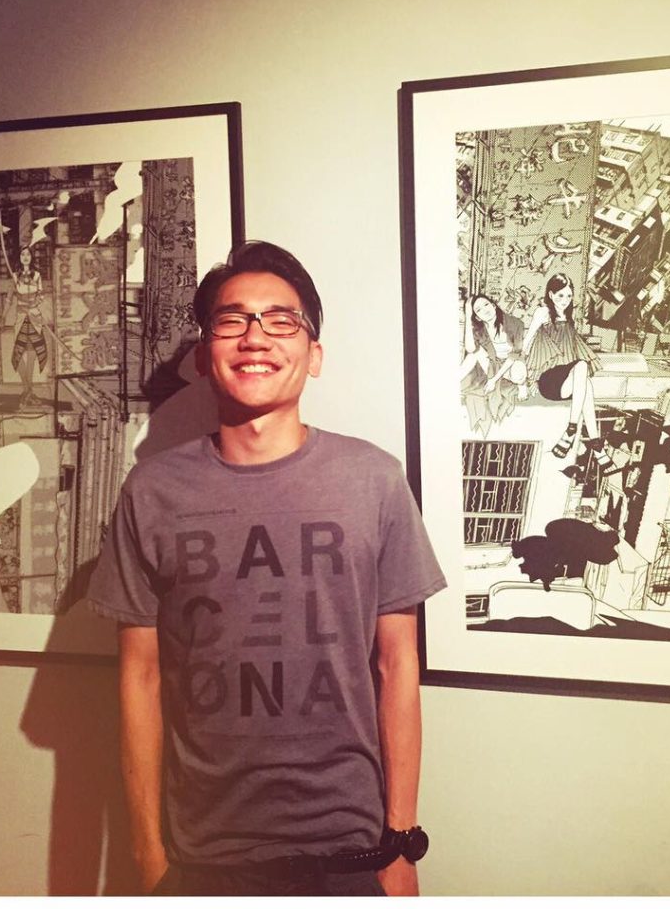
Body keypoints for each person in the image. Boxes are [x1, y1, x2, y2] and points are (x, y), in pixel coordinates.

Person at [86, 241, 446, 897]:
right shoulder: (152, 491)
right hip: (202, 858)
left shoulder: (373, 480)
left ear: (314, 355)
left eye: (281, 320)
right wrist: (146, 850)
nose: (255, 337)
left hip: (352, 850)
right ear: (205, 355)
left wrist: (401, 842)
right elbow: (139, 677)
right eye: (232, 320)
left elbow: (398, 666)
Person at [522, 273, 616, 474]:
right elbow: (526, 343)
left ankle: (595, 444)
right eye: (560, 295)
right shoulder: (543, 312)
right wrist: (526, 378)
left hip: (566, 380)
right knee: (582, 367)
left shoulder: (569, 318)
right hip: (548, 380)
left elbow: (573, 350)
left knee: (586, 383)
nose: (565, 300)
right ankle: (573, 429)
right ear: (550, 294)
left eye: (568, 296)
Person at [459, 293, 527, 434]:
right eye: (479, 310)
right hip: (493, 363)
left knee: (518, 373)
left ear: (494, 305)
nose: (485, 310)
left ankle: (522, 385)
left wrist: (493, 380)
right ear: (477, 317)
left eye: (486, 304)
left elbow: (515, 353)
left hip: (512, 362)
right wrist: (468, 315)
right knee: (473, 354)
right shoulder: (480, 330)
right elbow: (470, 348)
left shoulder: (516, 323)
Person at [3, 245, 48, 409]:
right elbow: (9, 299)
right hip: (21, 318)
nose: (26, 257)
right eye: (22, 254)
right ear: (19, 258)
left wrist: (35, 302)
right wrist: (3, 316)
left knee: (33, 355)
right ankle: (27, 390)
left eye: (28, 254)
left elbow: (41, 295)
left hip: (34, 318)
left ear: (31, 257)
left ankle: (28, 393)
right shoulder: (15, 277)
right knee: (18, 354)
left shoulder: (37, 275)